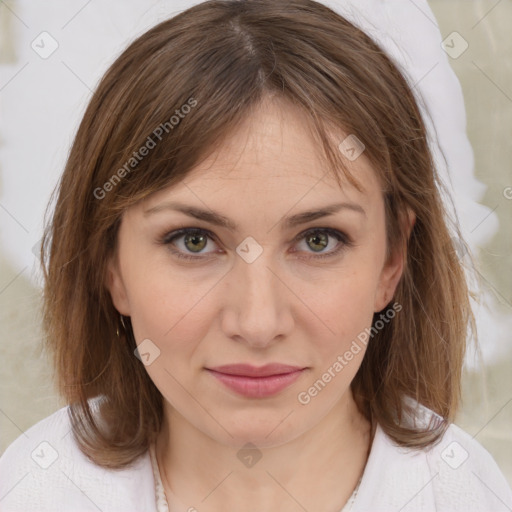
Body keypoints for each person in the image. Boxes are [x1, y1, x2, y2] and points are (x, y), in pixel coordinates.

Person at [1, 1, 511, 511]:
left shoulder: (465, 496)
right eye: (193, 241)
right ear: (111, 266)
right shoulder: (35, 491)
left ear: (391, 261)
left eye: (318, 240)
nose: (258, 322)